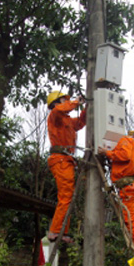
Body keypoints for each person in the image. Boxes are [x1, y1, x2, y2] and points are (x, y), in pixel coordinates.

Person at [98, 131, 134, 253]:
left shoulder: (127, 140)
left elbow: (124, 154)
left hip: (128, 189)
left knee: (133, 223)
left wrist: (106, 152)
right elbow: (124, 157)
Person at [46, 91, 86, 243]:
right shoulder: (55, 116)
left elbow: (80, 122)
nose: (66, 102)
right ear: (56, 102)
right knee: (65, 197)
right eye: (64, 100)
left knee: (67, 197)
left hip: (66, 161)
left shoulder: (67, 121)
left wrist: (88, 107)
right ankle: (55, 231)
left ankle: (61, 231)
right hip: (60, 160)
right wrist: (77, 102)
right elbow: (59, 110)